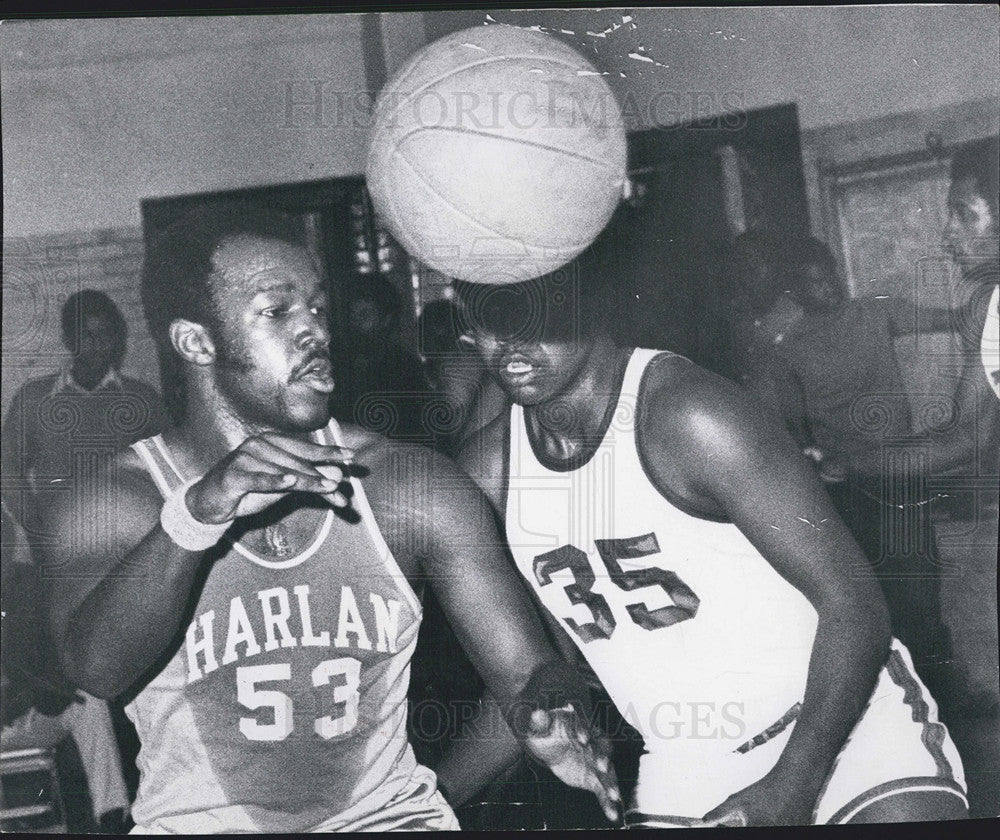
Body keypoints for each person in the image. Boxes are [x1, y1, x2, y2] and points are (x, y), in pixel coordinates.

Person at [34, 206, 620, 833]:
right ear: (196, 342)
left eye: (316, 307)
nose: (314, 330)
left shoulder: (407, 485)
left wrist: (550, 711)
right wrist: (198, 515)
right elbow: (94, 669)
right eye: (277, 311)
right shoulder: (110, 503)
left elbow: (525, 673)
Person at [442, 254, 969, 826]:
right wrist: (416, 805)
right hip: (687, 761)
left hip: (847, 729)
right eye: (490, 315)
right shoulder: (486, 473)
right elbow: (534, 678)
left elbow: (856, 605)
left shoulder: (688, 415)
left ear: (585, 298)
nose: (511, 340)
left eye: (534, 310)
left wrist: (789, 789)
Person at [742, 237, 964, 699]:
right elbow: (795, 434)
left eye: (831, 274)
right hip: (847, 493)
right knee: (872, 600)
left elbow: (954, 319)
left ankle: (950, 695)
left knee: (921, 588)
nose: (829, 287)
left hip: (901, 478)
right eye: (814, 282)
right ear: (795, 292)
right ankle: (893, 703)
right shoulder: (789, 352)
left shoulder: (876, 313)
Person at [1, 502, 131, 833]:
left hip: (23, 716)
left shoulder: (26, 588)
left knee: (89, 701)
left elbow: (47, 658)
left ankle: (112, 813)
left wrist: (33, 692)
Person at [1, 289, 167, 540]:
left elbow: (171, 466)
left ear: (117, 338)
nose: (98, 345)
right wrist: (37, 528)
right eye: (86, 335)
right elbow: (8, 468)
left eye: (106, 334)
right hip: (61, 545)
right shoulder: (34, 399)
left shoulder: (142, 398)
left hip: (131, 540)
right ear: (68, 340)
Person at [329, 276, 429, 441]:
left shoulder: (404, 367)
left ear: (386, 320)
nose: (355, 324)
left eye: (364, 316)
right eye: (351, 316)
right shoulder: (342, 364)